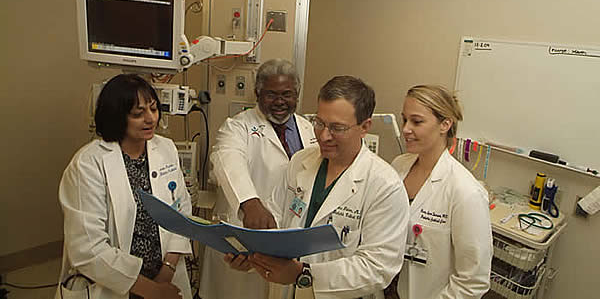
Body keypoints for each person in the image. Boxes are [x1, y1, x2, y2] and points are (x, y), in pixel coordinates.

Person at [226, 75, 410, 299]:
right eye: (319, 123)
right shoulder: (300, 162)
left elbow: (378, 268)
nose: (324, 136)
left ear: (365, 127)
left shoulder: (384, 185)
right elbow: (276, 220)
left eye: (337, 128)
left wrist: (303, 274)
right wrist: (253, 254)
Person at [57, 74, 193, 299]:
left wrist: (167, 271)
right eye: (138, 114)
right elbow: (87, 248)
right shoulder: (88, 164)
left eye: (153, 109)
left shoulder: (166, 148)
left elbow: (182, 212)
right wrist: (152, 291)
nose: (150, 119)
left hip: (165, 277)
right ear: (116, 116)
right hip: (112, 285)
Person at [200, 59, 316, 299]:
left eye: (287, 94)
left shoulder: (310, 131)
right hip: (244, 239)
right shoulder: (237, 127)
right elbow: (227, 160)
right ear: (257, 94)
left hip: (289, 245)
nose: (280, 101)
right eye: (271, 94)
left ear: (297, 95)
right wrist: (249, 203)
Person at [391, 85, 492, 299]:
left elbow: (473, 281)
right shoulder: (399, 166)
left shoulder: (465, 192)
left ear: (445, 125)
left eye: (416, 121)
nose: (406, 129)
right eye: (404, 120)